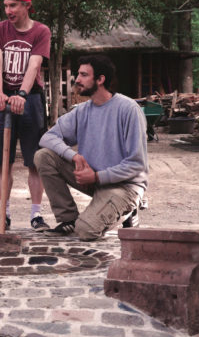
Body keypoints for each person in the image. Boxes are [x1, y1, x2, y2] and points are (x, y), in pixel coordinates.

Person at [34, 54, 148, 240]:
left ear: (100, 79)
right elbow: (47, 138)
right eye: (78, 74)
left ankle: (130, 210)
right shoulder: (82, 111)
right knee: (44, 156)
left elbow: (137, 165)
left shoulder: (128, 110)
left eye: (83, 75)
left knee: (86, 231)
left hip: (125, 187)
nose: (77, 80)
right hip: (94, 180)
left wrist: (96, 176)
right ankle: (68, 218)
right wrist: (73, 156)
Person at [0, 0, 51, 232]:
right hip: (3, 98)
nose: (8, 10)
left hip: (30, 98)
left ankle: (36, 215)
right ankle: (4, 213)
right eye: (5, 5)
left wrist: (22, 93)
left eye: (13, 5)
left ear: (26, 6)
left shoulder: (41, 31)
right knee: (2, 162)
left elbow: (34, 65)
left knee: (35, 160)